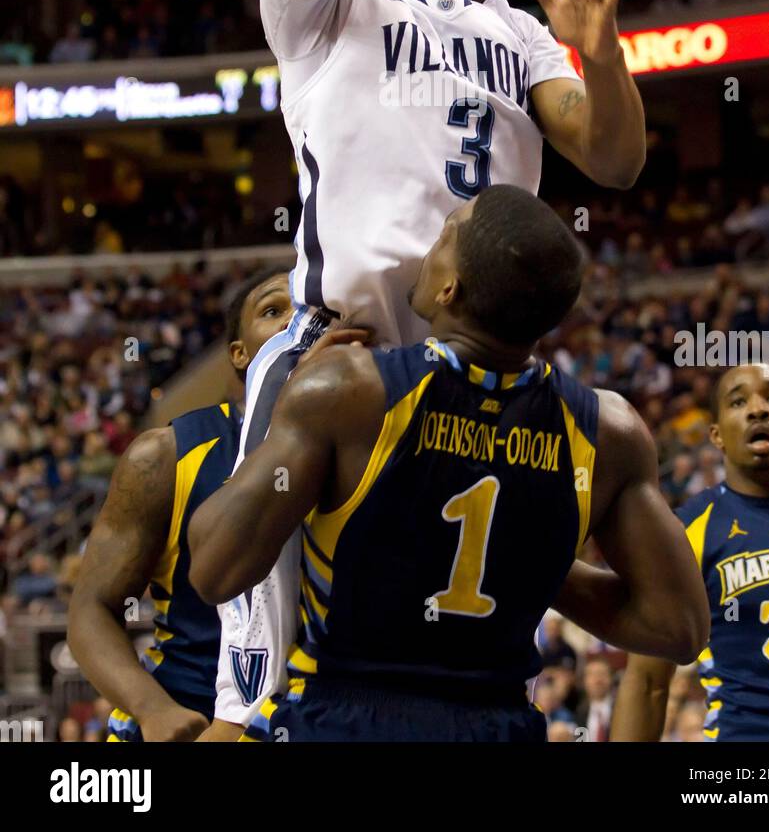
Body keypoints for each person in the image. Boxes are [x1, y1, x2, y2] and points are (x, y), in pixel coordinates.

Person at [186, 0, 646, 731]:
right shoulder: (325, 2)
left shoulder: (513, 26)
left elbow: (611, 156)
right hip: (340, 350)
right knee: (267, 685)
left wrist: (603, 55)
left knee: (448, 652)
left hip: (482, 357)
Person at [189, 188, 707, 743]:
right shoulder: (609, 430)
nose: (426, 247)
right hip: (496, 724)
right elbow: (677, 627)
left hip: (347, 718)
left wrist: (278, 408)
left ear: (448, 287)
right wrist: (529, 566)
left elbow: (214, 569)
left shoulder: (347, 388)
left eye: (443, 235)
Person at [67, 269, 296, 742]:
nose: (295, 323)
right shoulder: (166, 456)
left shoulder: (379, 438)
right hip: (189, 714)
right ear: (239, 353)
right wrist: (153, 710)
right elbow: (91, 608)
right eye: (274, 310)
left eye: (309, 309)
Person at [611, 363, 769, 743]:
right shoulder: (684, 532)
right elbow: (648, 681)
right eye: (738, 401)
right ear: (716, 435)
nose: (758, 409)